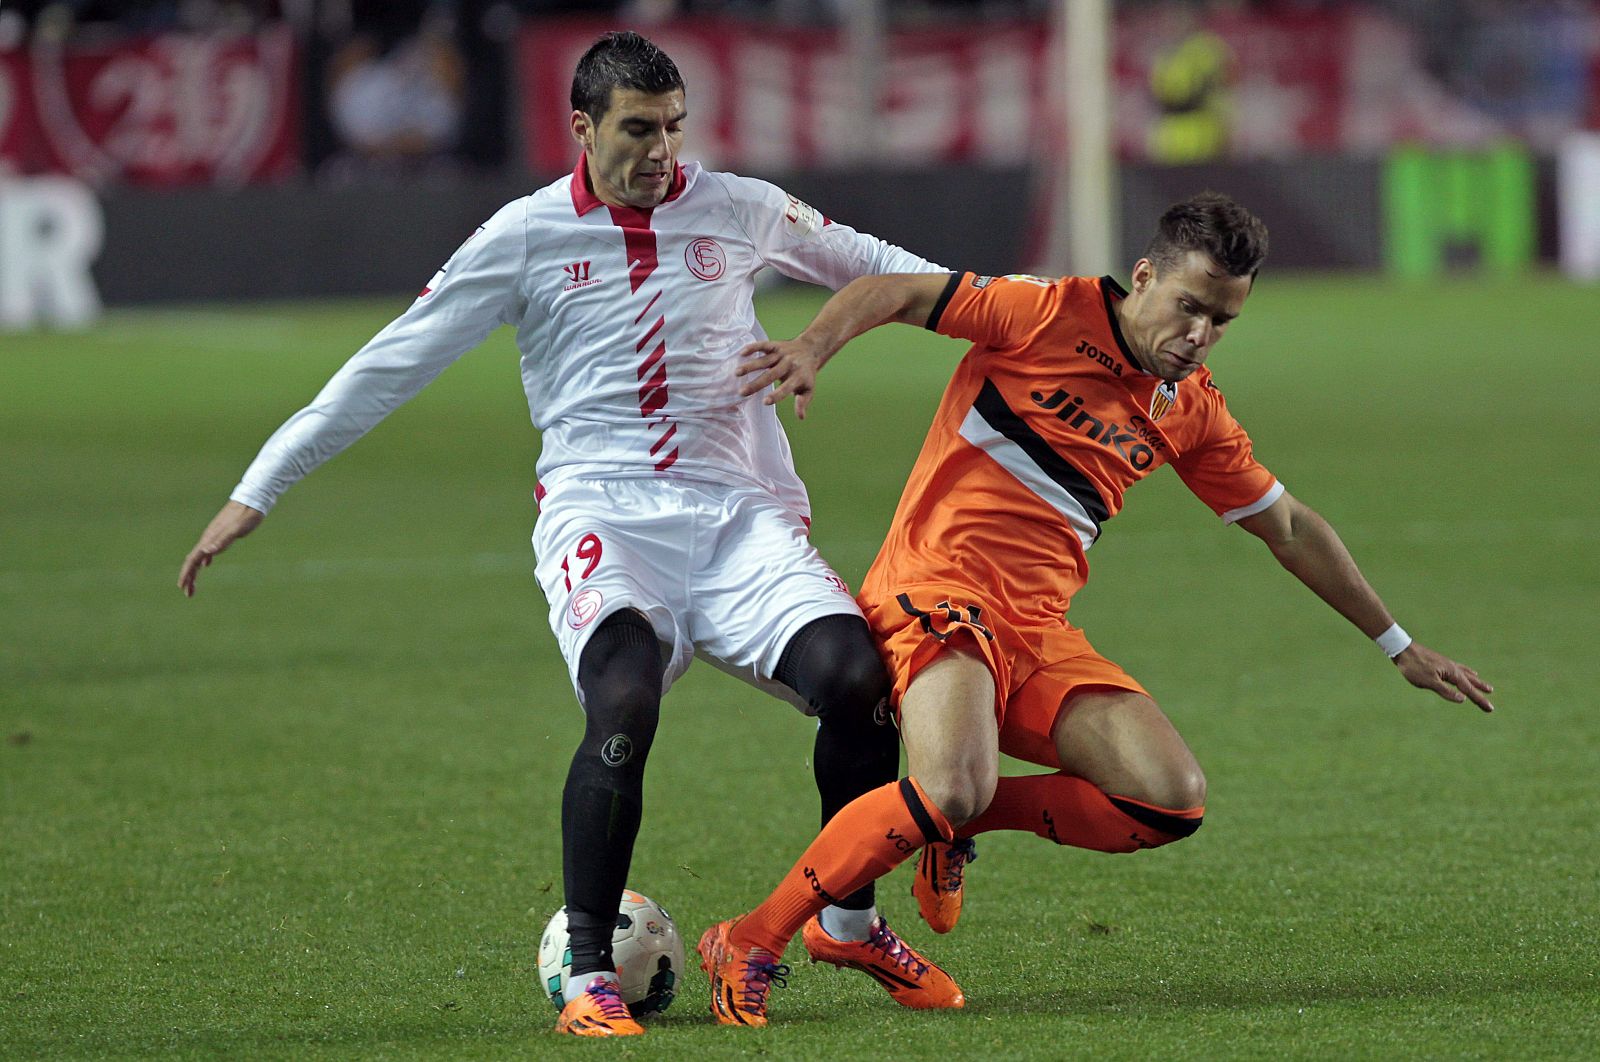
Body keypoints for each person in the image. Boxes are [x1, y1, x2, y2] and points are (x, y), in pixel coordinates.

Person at [177, 30, 964, 1038]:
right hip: (604, 518)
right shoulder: (522, 235)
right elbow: (389, 364)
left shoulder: (742, 207)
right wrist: (259, 487)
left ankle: (846, 920)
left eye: (674, 126)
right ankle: (589, 972)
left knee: (860, 685)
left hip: (740, 523)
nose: (662, 150)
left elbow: (897, 272)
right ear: (582, 127)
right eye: (638, 128)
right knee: (624, 698)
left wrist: (1037, 325)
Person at [696, 192, 1495, 1026]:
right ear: (1144, 276)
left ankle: (945, 828)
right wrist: (814, 345)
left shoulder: (1190, 411)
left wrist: (1398, 644)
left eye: (1222, 320)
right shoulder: (1042, 310)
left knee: (1168, 798)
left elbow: (1289, 526)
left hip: (1037, 630)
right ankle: (752, 939)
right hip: (938, 586)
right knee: (951, 783)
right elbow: (895, 291)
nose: (1199, 334)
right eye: (1189, 306)